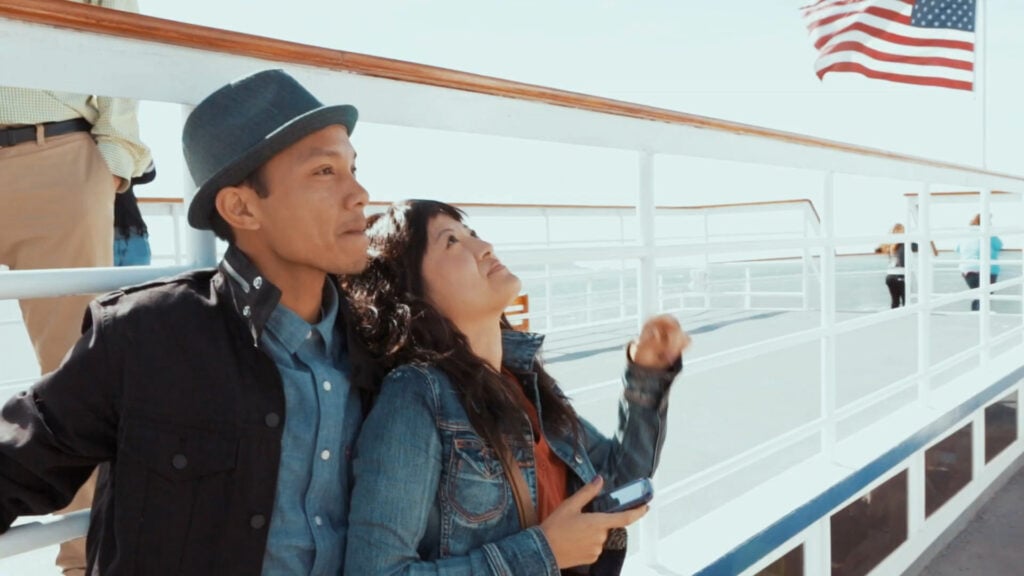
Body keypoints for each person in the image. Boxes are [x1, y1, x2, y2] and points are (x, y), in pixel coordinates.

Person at [0, 69, 382, 575]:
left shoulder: (382, 345)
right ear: (241, 207)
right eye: (325, 172)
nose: (360, 193)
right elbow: (18, 465)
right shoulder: (146, 335)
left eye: (353, 168)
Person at [342, 200, 690, 575]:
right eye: (452, 242)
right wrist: (546, 552)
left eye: (472, 234)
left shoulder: (520, 383)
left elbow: (620, 479)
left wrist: (646, 376)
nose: (484, 246)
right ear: (410, 292)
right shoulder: (415, 395)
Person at [0, 3, 152, 573]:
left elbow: (118, 31)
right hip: (57, 161)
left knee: (77, 374)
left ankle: (80, 564)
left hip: (58, 157)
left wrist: (111, 163)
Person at [956, 213, 1003, 311]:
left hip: (967, 270)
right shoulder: (989, 234)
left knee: (977, 295)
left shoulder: (966, 234)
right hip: (987, 270)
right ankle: (981, 317)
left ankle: (976, 316)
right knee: (985, 296)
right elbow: (999, 245)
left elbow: (957, 248)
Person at [113, 162, 156, 266]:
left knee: (140, 280)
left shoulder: (122, 170)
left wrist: (135, 147)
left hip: (135, 236)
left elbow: (149, 174)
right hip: (100, 240)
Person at [878, 223, 918, 309]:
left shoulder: (889, 245)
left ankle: (893, 319)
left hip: (889, 276)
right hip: (900, 275)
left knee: (895, 302)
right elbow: (919, 246)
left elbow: (878, 250)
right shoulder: (906, 244)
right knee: (906, 303)